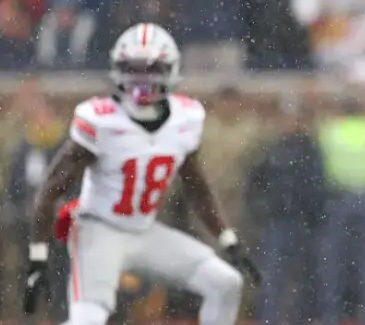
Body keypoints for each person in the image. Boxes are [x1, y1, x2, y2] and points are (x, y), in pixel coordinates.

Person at [22, 23, 261, 325]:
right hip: (99, 231)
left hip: (145, 232)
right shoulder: (101, 120)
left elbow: (197, 189)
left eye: (151, 70)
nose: (142, 80)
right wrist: (38, 258)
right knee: (88, 320)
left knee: (226, 283)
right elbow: (50, 188)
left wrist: (228, 241)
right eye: (133, 69)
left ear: (170, 70)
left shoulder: (185, 119)